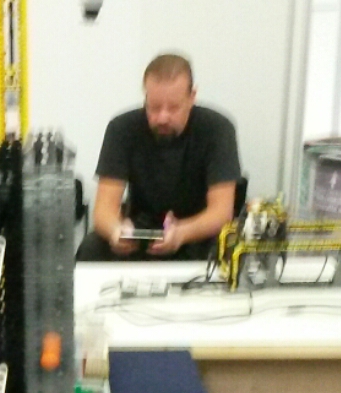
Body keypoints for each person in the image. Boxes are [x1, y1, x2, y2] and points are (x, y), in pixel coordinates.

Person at [79, 53, 240, 263]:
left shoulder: (217, 129)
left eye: (173, 108)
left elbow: (221, 212)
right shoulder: (122, 128)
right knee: (91, 248)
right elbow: (103, 209)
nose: (162, 117)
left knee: (226, 248)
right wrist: (116, 231)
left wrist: (181, 233)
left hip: (198, 234)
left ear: (192, 97)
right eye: (154, 107)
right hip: (140, 233)